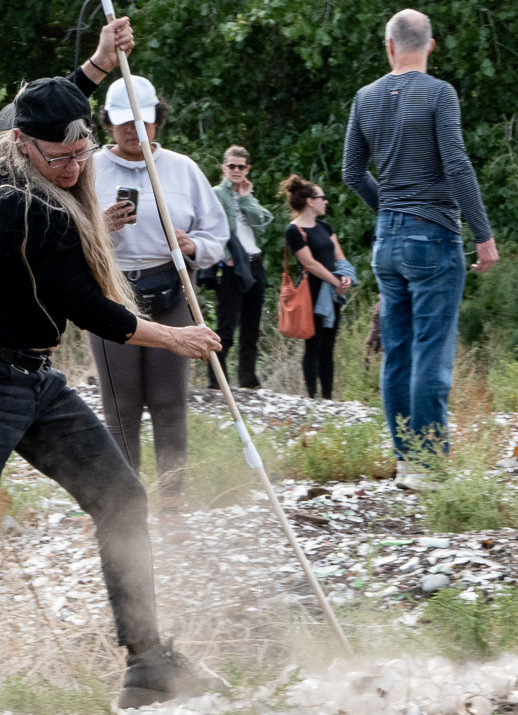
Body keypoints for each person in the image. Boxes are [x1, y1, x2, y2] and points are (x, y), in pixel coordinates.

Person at [0, 26, 224, 715]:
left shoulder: (26, 143)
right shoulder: (17, 205)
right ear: (25, 148)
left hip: (33, 378)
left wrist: (95, 62)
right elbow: (91, 311)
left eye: (79, 151)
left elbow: (57, 99)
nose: (71, 166)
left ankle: (148, 663)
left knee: (121, 497)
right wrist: (177, 337)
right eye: (57, 156)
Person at [341, 9, 497, 481]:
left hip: (386, 239)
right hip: (432, 236)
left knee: (398, 352)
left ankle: (406, 460)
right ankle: (431, 466)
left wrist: (388, 208)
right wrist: (483, 234)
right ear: (430, 45)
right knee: (432, 352)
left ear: (388, 46)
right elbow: (456, 165)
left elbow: (351, 173)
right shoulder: (439, 93)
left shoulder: (365, 98)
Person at [87, 76, 228, 515]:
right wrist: (98, 227)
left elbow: (217, 234)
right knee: (120, 405)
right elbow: (62, 234)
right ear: (108, 122)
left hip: (172, 289)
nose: (133, 130)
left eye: (142, 121)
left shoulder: (182, 169)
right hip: (112, 294)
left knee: (169, 403)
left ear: (157, 122)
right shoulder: (89, 168)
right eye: (123, 122)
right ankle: (124, 507)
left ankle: (171, 502)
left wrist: (193, 246)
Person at [280, 175, 356, 399]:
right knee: (313, 344)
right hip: (311, 293)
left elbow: (338, 255)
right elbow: (309, 263)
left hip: (332, 293)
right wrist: (335, 282)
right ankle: (312, 397)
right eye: (322, 198)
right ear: (310, 201)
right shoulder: (294, 230)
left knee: (328, 347)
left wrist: (345, 277)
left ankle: (328, 398)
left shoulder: (325, 227)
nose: (326, 201)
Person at [209, 145, 272, 389]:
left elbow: (262, 223)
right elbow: (209, 225)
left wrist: (246, 199)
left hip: (255, 262)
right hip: (232, 265)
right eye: (232, 166)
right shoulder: (215, 193)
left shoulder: (248, 194)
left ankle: (248, 380)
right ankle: (217, 382)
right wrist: (224, 257)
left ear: (247, 169)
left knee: (251, 326)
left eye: (241, 167)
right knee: (225, 326)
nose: (236, 170)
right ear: (224, 167)